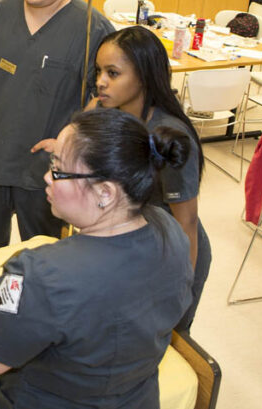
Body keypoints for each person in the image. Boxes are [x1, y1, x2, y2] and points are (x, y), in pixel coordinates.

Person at [0, 108, 193, 409]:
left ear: (105, 192)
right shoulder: (171, 232)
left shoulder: (39, 274)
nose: (47, 177)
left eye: (58, 169)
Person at [0, 0, 114, 252]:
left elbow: (106, 96)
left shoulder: (91, 28)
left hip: (47, 166)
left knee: (43, 252)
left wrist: (69, 138)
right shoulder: (4, 12)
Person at [90, 26, 210, 331]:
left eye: (113, 74)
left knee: (163, 341)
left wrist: (181, 289)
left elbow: (187, 223)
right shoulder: (110, 112)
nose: (100, 82)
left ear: (143, 76)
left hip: (174, 248)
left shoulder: (168, 135)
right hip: (134, 239)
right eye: (99, 71)